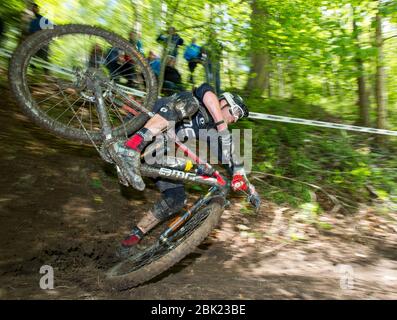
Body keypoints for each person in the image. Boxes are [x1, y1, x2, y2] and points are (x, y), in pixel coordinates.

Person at [106, 83, 261, 247]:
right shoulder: (203, 100)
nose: (235, 119)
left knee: (177, 198)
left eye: (238, 117)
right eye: (235, 111)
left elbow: (231, 160)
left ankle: (133, 238)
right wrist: (222, 127)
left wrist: (249, 188)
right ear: (223, 101)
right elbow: (208, 94)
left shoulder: (212, 132)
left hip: (154, 148)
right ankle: (131, 147)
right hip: (140, 125)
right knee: (188, 103)